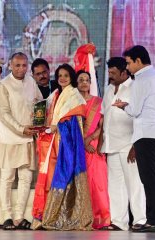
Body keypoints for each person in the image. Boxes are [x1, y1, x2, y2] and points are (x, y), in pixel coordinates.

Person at [113, 45, 155, 232]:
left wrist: (123, 106)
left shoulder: (141, 79)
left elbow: (135, 110)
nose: (127, 68)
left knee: (149, 179)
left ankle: (153, 220)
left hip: (146, 134)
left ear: (138, 61)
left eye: (129, 63)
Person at [31, 64, 93, 230]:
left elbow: (73, 125)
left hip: (66, 146)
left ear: (71, 77)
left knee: (62, 177)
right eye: (60, 75)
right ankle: (46, 215)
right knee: (49, 179)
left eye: (66, 75)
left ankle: (61, 216)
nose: (63, 78)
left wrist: (57, 127)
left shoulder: (75, 97)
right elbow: (47, 116)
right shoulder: (55, 95)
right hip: (51, 144)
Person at [0, 52, 43, 230]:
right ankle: (7, 216)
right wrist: (21, 128)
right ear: (10, 65)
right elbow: (4, 113)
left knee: (25, 178)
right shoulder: (3, 85)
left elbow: (39, 103)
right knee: (7, 178)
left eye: (24, 65)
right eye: (17, 65)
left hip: (28, 136)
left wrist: (39, 120)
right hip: (10, 137)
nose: (21, 69)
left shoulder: (31, 81)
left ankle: (18, 217)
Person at [98, 57, 146, 231]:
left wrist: (135, 145)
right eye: (109, 72)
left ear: (124, 72)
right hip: (111, 144)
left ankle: (140, 220)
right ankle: (119, 221)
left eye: (113, 73)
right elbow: (104, 118)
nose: (110, 76)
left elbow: (140, 118)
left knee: (134, 183)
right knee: (115, 185)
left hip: (129, 145)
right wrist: (101, 142)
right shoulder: (109, 89)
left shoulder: (135, 88)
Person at [76, 70, 110, 229]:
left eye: (87, 80)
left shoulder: (98, 102)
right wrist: (83, 142)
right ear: (76, 83)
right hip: (77, 147)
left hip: (94, 146)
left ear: (91, 83)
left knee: (98, 182)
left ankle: (101, 218)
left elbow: (102, 125)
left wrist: (89, 139)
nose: (84, 82)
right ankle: (83, 218)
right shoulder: (73, 102)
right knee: (82, 183)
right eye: (81, 79)